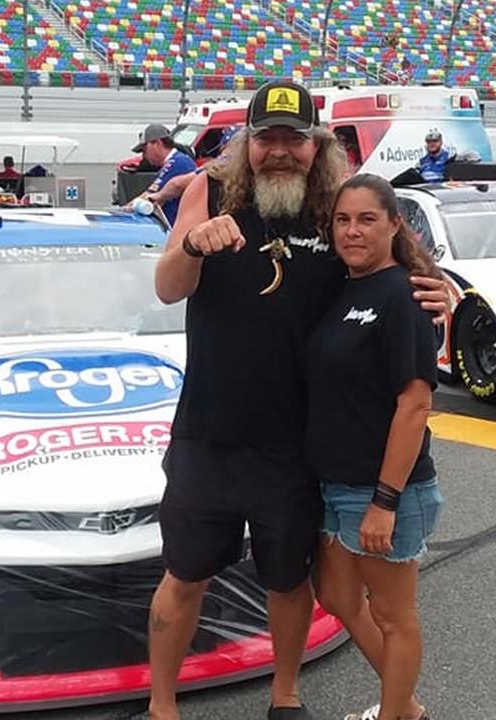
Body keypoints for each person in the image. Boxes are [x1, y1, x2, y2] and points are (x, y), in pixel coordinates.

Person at [150, 80, 451, 720]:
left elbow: (399, 260)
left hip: (294, 449)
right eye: (267, 139)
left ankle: (285, 695)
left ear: (317, 146)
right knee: (184, 577)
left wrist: (437, 290)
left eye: (294, 139)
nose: (280, 152)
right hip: (209, 433)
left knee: (288, 581)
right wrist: (192, 245)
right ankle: (162, 705)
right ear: (247, 144)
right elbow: (168, 289)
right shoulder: (207, 191)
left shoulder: (332, 209)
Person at [308, 174, 442, 720]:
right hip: (336, 484)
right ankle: (405, 707)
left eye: (366, 219)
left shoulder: (404, 295)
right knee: (337, 598)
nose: (352, 231)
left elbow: (414, 405)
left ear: (394, 224)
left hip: (385, 490)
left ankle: (395, 715)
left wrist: (383, 502)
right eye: (343, 220)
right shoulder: (343, 287)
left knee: (393, 615)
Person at [128, 123, 196, 225]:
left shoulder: (178, 163)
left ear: (157, 144)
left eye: (144, 150)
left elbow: (149, 196)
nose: (144, 156)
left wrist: (124, 210)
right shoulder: (176, 161)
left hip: (175, 228)